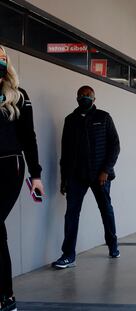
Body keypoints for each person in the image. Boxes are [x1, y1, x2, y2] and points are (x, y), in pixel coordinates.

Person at [52, 85, 120, 269]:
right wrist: (64, 178)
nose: (85, 97)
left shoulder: (104, 117)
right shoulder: (70, 120)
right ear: (76, 98)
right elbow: (65, 153)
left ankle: (113, 245)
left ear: (94, 98)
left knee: (106, 210)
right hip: (76, 176)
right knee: (71, 214)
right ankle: (68, 255)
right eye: (82, 95)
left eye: (88, 95)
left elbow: (115, 146)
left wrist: (106, 170)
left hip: (101, 176)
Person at [0, 46, 45, 311]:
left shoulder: (18, 96)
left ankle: (6, 297)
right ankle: (7, 295)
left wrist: (36, 174)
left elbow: (29, 136)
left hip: (9, 167)